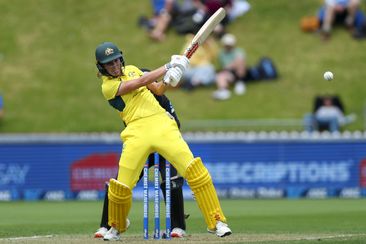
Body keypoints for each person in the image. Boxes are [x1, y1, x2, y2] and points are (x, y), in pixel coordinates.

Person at [95, 42, 232, 240]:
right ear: (102, 67)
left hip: (162, 124)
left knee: (195, 171)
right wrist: (168, 66)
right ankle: (116, 225)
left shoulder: (133, 70)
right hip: (135, 131)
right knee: (120, 185)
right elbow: (138, 84)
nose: (114, 65)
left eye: (116, 60)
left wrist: (170, 79)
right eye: (109, 63)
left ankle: (217, 221)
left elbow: (157, 90)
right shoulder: (107, 87)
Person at [94, 88, 188, 239]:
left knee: (171, 180)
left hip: (164, 146)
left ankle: (177, 226)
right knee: (119, 184)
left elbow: (176, 123)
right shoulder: (128, 101)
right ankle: (109, 225)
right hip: (142, 149)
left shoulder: (160, 99)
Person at [212, 33, 247, 100]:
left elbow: (241, 62)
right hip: (229, 73)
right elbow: (224, 67)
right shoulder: (221, 54)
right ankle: (224, 91)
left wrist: (231, 65)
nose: (228, 46)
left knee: (239, 62)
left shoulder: (239, 51)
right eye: (226, 45)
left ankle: (240, 82)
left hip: (239, 72)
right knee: (220, 76)